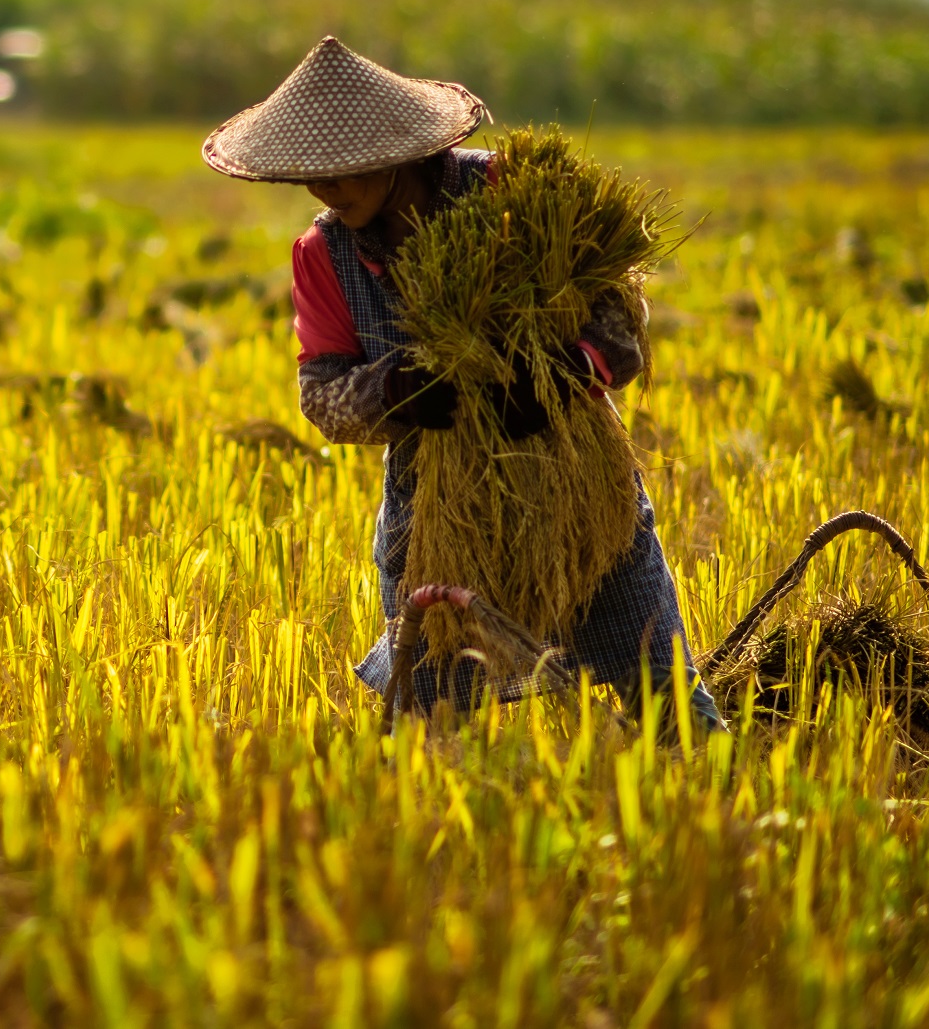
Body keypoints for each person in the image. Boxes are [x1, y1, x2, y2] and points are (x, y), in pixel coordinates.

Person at [202, 38, 725, 737]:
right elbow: (321, 395)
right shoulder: (321, 254)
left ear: (398, 151)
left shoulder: (517, 192)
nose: (326, 188)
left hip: (580, 493)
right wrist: (399, 389)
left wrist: (564, 376)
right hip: (437, 512)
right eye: (310, 173)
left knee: (670, 706)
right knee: (429, 718)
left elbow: (620, 322)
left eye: (344, 169)